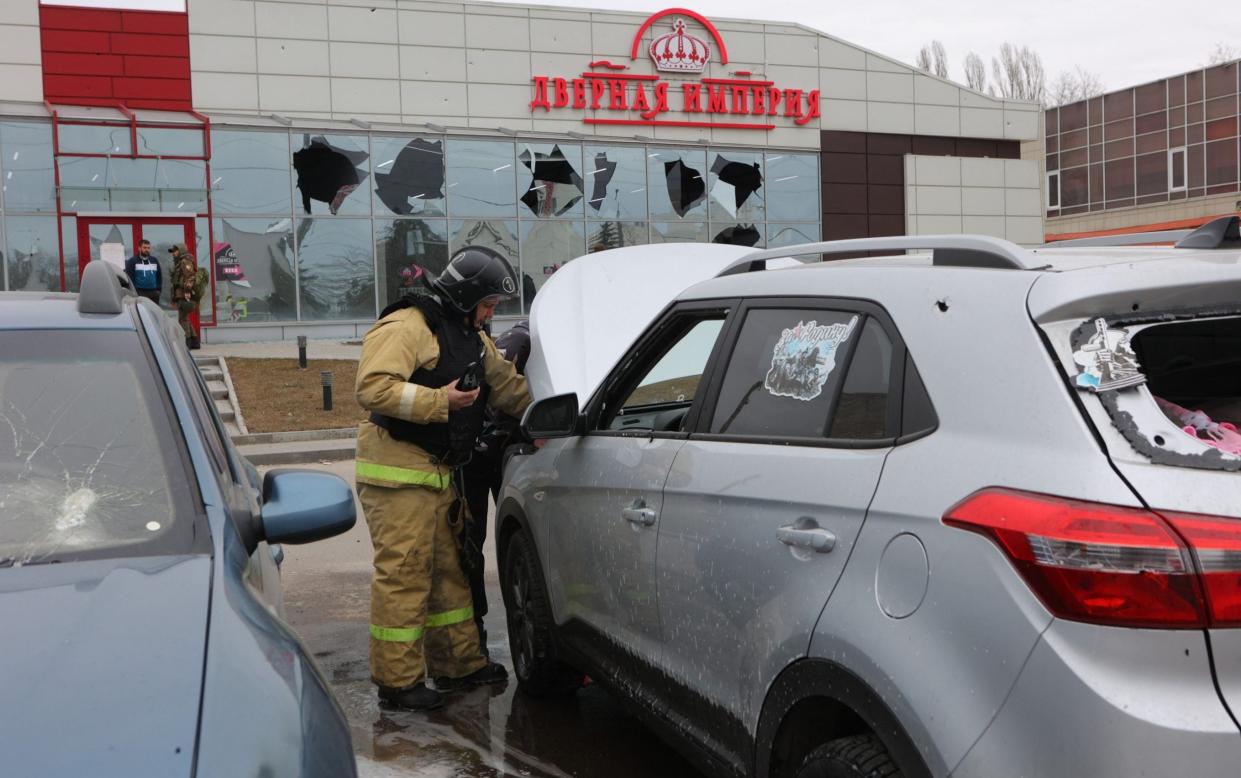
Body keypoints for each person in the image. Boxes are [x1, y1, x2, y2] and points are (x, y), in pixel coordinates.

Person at [354, 245, 532, 712]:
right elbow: (372, 386)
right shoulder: (409, 326)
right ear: (465, 295)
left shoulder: (470, 333)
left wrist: (551, 416)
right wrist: (440, 403)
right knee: (406, 575)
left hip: (438, 472)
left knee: (452, 572)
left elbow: (507, 383)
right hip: (396, 470)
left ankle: (459, 666)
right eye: (488, 304)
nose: (491, 314)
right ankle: (398, 683)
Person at [460, 318, 529, 654]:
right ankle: (472, 631)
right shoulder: (522, 338)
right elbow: (505, 390)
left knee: (518, 540)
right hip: (485, 448)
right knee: (470, 542)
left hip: (508, 446)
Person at [169, 243, 204, 350]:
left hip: (185, 294)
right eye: (172, 251)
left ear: (181, 250)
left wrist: (187, 292)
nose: (173, 253)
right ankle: (195, 342)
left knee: (182, 319)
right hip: (180, 294)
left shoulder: (185, 262)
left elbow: (190, 277)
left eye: (175, 251)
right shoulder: (179, 262)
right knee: (185, 318)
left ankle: (187, 342)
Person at [124, 239, 162, 304]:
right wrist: (134, 291)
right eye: (144, 247)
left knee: (153, 313)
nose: (147, 250)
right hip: (140, 292)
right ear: (139, 248)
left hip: (154, 293)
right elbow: (129, 278)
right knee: (142, 313)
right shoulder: (132, 261)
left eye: (148, 248)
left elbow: (159, 276)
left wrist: (158, 290)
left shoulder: (154, 260)